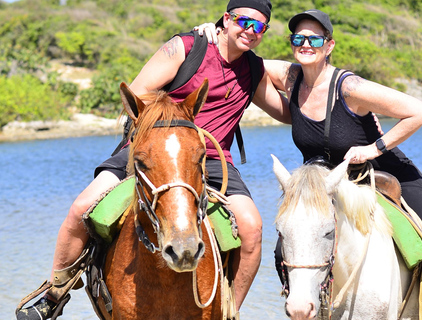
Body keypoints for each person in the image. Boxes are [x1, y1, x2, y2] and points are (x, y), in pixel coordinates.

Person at [16, 0, 290, 319]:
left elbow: (285, 113)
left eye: (260, 27)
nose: (250, 31)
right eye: (244, 21)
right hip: (151, 146)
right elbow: (137, 93)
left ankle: (229, 310)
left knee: (252, 228)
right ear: (227, 19)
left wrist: (321, 102)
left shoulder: (253, 69)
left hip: (211, 158)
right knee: (80, 208)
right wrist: (176, 121)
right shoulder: (187, 47)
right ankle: (55, 293)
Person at [197, 8, 422, 315]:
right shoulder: (290, 76)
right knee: (284, 244)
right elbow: (238, 54)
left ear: (330, 45)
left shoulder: (350, 88)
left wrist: (374, 148)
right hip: (324, 180)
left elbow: (419, 111)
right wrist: (213, 33)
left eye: (314, 38)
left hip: (381, 170)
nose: (305, 44)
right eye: (298, 38)